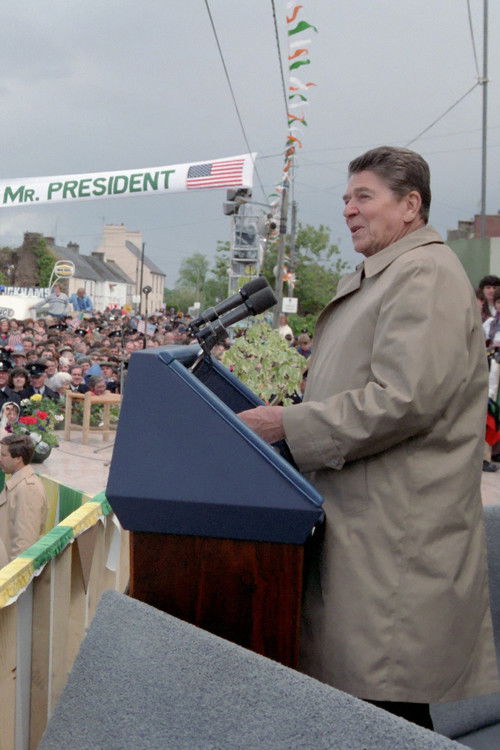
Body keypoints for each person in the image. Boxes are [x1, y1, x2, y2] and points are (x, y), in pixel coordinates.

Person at [238, 146, 499, 729]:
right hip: (367, 529)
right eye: (345, 198)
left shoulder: (423, 273)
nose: (348, 210)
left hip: (394, 542)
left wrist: (289, 425)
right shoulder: (387, 273)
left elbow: (404, 398)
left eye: (364, 197)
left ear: (410, 205)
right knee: (369, 709)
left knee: (385, 711)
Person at [0, 434, 47, 567]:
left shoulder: (28, 488)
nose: (0, 459)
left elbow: (24, 543)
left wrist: (12, 575)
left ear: (18, 459)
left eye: (3, 455)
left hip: (9, 571)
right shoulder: (17, 482)